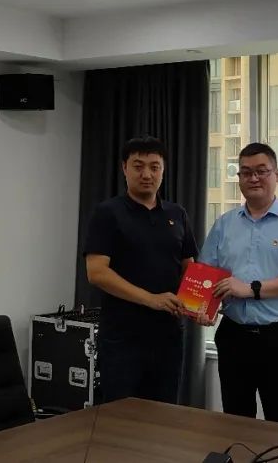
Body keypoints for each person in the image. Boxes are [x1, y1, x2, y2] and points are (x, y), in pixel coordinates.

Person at [200, 142, 278, 425]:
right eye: (246, 172)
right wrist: (203, 307)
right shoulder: (224, 224)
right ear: (239, 178)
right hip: (233, 335)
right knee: (236, 420)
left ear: (276, 175)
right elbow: (207, 275)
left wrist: (250, 289)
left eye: (261, 171)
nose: (253, 178)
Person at [83, 136, 199, 404]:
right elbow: (96, 272)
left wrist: (198, 305)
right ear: (124, 168)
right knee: (121, 414)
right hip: (123, 337)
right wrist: (151, 299)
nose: (147, 174)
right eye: (138, 166)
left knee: (163, 413)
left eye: (154, 167)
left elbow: (189, 268)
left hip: (168, 336)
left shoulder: (177, 214)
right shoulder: (108, 213)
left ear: (163, 170)